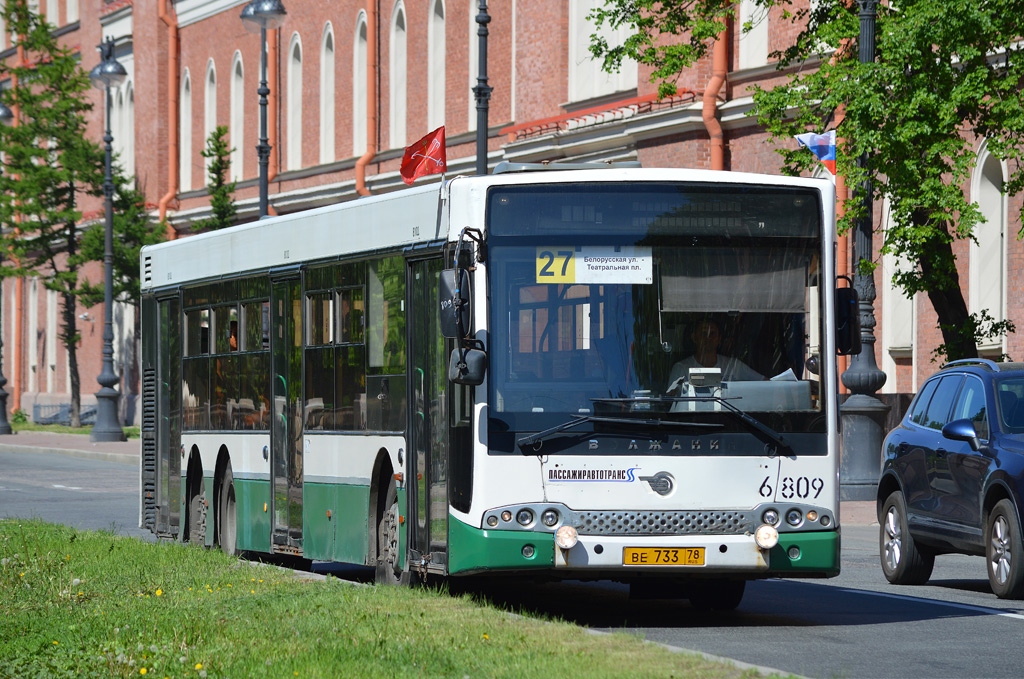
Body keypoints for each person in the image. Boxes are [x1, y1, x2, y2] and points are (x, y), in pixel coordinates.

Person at [668, 318, 762, 390]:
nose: (708, 338)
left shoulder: (733, 366)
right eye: (703, 334)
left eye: (712, 334)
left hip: (731, 415)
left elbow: (765, 383)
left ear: (719, 338)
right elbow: (670, 399)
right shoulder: (681, 368)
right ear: (694, 338)